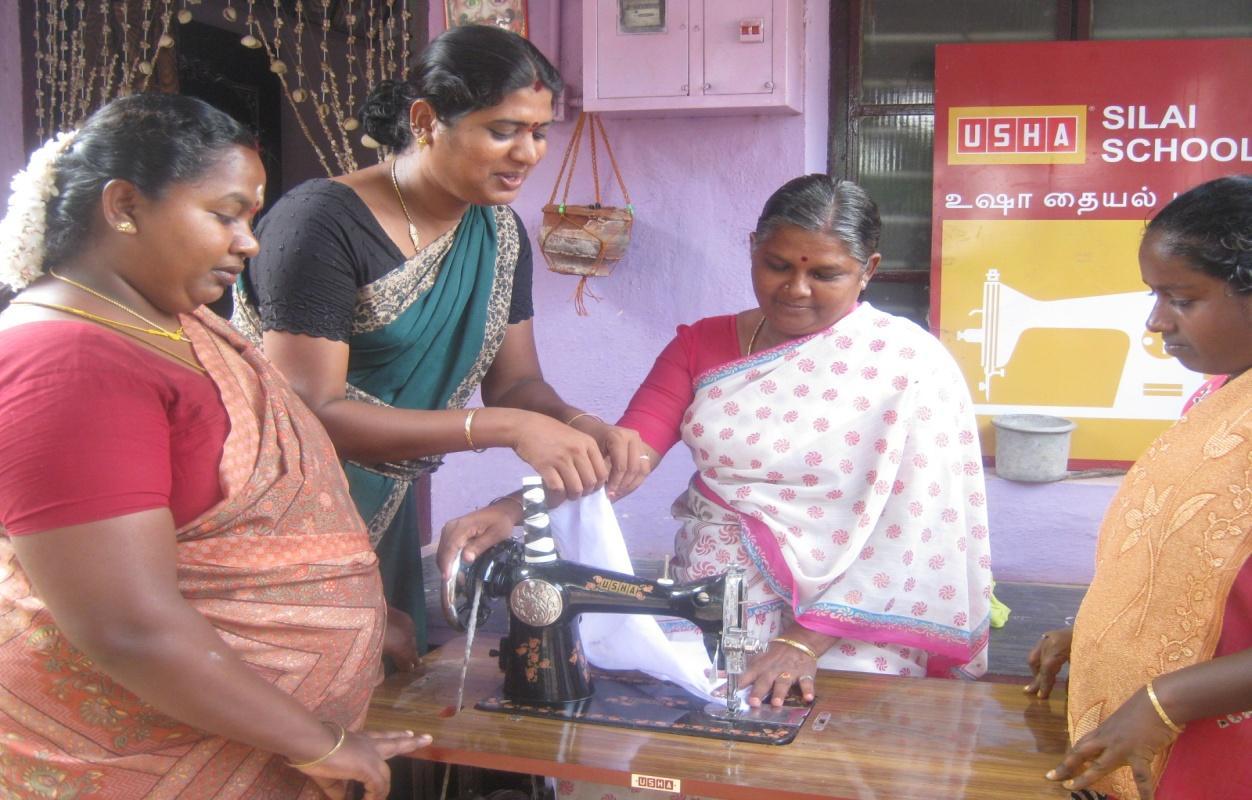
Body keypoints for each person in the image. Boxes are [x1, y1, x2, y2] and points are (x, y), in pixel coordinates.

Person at [0, 94, 428, 799]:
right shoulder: (66, 364)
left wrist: (343, 619)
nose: (248, 243)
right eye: (224, 214)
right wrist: (316, 742)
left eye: (251, 218)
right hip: (135, 765)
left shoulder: (173, 326)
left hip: (240, 743)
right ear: (124, 205)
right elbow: (124, 623)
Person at [445, 174, 992, 700]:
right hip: (715, 591)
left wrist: (803, 642)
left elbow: (920, 522)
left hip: (853, 614)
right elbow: (620, 460)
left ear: (867, 269)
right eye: (776, 265)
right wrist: (513, 510)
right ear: (753, 247)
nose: (795, 289)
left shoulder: (908, 365)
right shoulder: (701, 344)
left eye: (825, 275)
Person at [234, 24, 643, 669]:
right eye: (503, 130)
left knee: (382, 697)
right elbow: (310, 411)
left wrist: (582, 425)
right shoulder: (321, 223)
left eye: (539, 132)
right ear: (426, 120)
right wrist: (508, 428)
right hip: (286, 512)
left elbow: (516, 385)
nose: (528, 153)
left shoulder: (500, 235)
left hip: (386, 511)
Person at [1026, 175, 1252, 800]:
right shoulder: (1222, 398)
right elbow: (1189, 567)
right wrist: (1103, 633)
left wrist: (1163, 701)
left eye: (1182, 298)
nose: (1156, 321)